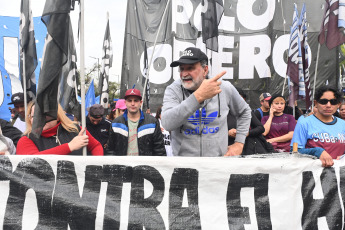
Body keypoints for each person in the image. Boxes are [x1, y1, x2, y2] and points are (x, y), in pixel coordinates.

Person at [162, 47, 251, 157]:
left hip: (217, 165)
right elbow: (167, 123)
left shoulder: (224, 87)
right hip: (184, 166)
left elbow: (245, 112)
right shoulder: (173, 90)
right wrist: (198, 97)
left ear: (205, 70)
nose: (184, 74)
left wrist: (239, 143)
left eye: (190, 68)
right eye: (182, 69)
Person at [16, 101, 103, 155]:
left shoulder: (76, 130)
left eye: (47, 115)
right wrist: (69, 147)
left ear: (58, 116)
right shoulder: (26, 139)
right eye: (35, 116)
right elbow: (33, 161)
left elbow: (96, 146)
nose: (41, 119)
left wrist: (96, 167)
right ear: (30, 119)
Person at [291, 86, 345, 167]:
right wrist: (317, 152)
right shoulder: (304, 122)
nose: (328, 105)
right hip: (312, 175)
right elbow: (294, 152)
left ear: (338, 104)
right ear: (316, 103)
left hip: (338, 175)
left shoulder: (342, 124)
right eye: (323, 101)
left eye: (333, 101)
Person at [107, 89, 166, 156]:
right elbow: (110, 150)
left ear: (140, 102)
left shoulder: (152, 122)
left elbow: (159, 150)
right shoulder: (116, 123)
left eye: (135, 100)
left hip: (145, 165)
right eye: (129, 100)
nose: (132, 104)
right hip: (122, 165)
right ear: (125, 102)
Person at [228, 88, 275, 154]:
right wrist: (227, 133)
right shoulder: (221, 113)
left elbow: (260, 128)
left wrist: (248, 133)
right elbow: (212, 131)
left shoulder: (247, 112)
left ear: (244, 100)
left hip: (247, 149)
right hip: (228, 148)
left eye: (239, 99)